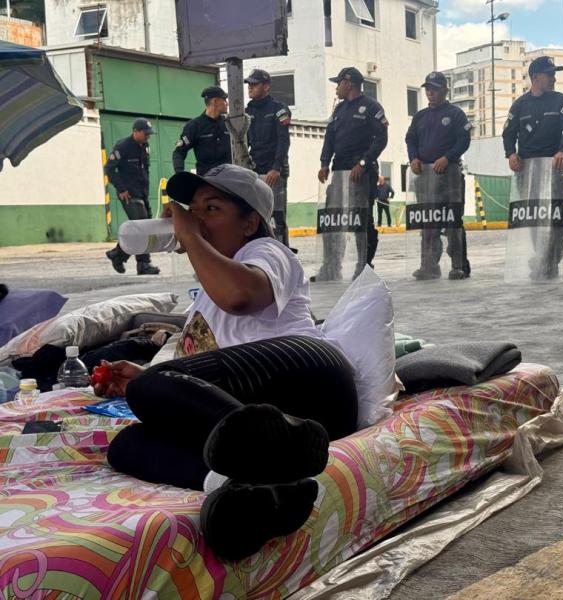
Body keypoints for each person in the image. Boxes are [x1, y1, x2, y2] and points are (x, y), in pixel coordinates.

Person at [93, 164, 358, 561]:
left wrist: (188, 235)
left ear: (250, 223)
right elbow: (206, 370)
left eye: (211, 209)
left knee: (154, 387)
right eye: (193, 209)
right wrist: (149, 381)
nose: (198, 220)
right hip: (256, 422)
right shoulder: (207, 286)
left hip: (314, 383)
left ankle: (282, 457)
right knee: (127, 445)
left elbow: (239, 295)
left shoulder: (268, 252)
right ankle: (259, 489)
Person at [502, 56, 563, 279]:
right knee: (533, 218)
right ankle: (543, 258)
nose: (553, 78)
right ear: (535, 77)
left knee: (559, 218)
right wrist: (510, 154)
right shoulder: (520, 105)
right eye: (549, 74)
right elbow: (508, 132)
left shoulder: (560, 101)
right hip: (528, 172)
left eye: (554, 74)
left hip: (554, 169)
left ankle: (549, 259)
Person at [314, 67, 388, 281]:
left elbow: (381, 138)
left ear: (349, 83)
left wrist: (364, 163)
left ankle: (363, 265)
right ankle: (331, 266)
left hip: (361, 172)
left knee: (362, 220)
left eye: (339, 83)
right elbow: (329, 139)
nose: (336, 87)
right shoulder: (338, 110)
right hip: (339, 170)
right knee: (333, 219)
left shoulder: (371, 107)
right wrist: (324, 163)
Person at [405, 71, 472, 280]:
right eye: (428, 89)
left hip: (449, 175)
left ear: (445, 89)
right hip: (425, 177)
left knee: (452, 222)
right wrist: (413, 157)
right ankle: (429, 265)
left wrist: (448, 157)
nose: (430, 93)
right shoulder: (420, 117)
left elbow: (464, 140)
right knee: (428, 223)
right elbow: (411, 140)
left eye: (434, 88)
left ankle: (459, 265)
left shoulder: (455, 114)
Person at [104, 118, 160, 276]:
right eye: (145, 133)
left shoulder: (144, 146)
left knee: (144, 228)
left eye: (149, 134)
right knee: (141, 227)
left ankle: (118, 254)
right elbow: (109, 168)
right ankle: (143, 264)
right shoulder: (123, 147)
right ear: (136, 131)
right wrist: (121, 188)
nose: (148, 136)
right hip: (129, 193)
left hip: (142, 193)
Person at [244, 68, 292, 247]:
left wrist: (277, 167)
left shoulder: (279, 109)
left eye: (254, 84)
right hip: (254, 171)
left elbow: (283, 140)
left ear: (266, 87)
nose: (250, 88)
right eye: (249, 84)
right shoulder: (247, 111)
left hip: (274, 172)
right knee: (255, 215)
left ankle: (283, 253)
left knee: (276, 217)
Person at [173, 86, 232, 176]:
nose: (227, 104)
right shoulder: (194, 126)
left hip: (230, 178)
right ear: (215, 101)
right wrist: (180, 175)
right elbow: (179, 152)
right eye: (224, 100)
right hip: (207, 181)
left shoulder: (230, 124)